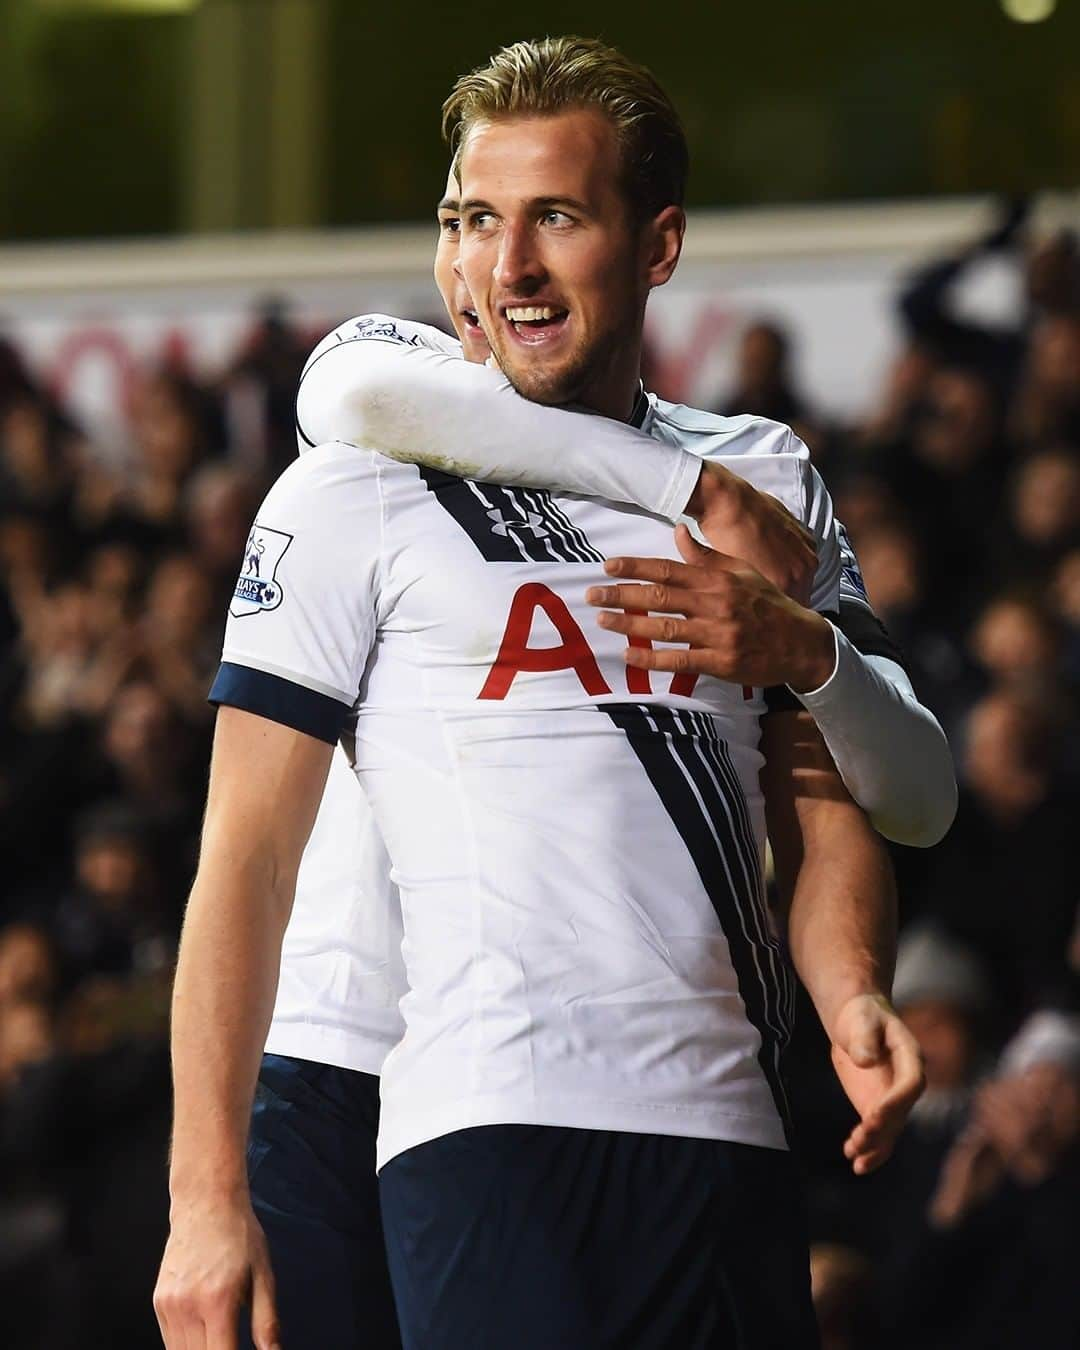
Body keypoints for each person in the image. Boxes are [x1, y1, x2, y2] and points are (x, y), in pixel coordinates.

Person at [156, 38, 928, 1350]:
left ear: (656, 243)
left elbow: (890, 788)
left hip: (692, 1101)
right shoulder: (371, 447)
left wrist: (799, 649)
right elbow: (345, 374)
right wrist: (201, 1190)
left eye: (553, 217)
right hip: (354, 1060)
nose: (498, 264)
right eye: (469, 219)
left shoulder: (770, 474)